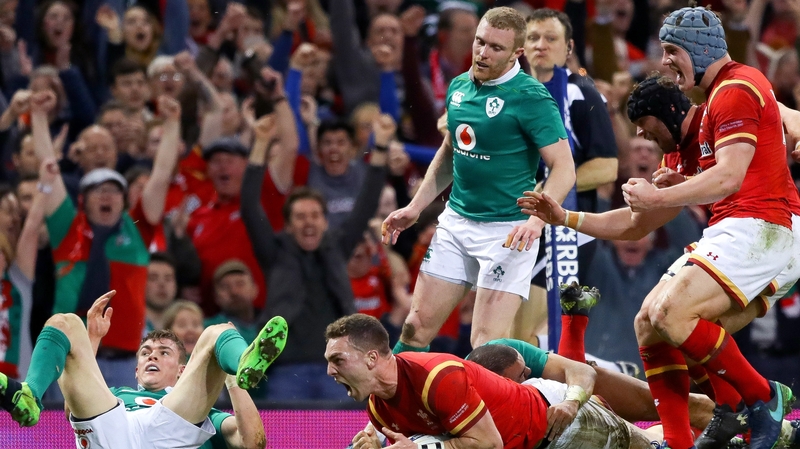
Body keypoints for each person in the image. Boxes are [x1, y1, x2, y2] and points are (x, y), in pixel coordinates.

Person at [520, 67, 800, 449]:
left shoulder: (721, 111)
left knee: (674, 315)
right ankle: (681, 437)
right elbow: (635, 225)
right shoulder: (675, 157)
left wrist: (794, 120)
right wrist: (565, 217)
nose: (639, 134)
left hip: (775, 231)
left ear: (668, 111)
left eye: (643, 123)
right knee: (650, 324)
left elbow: (734, 167)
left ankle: (759, 398)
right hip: (738, 232)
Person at [381, 6, 576, 353]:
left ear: (517, 53)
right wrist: (415, 207)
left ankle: (535, 394)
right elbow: (451, 150)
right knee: (414, 329)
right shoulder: (459, 86)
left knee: (486, 346)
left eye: (496, 48)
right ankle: (395, 409)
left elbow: (564, 168)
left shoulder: (530, 98)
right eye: (480, 43)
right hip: (456, 222)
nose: (483, 53)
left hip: (509, 233)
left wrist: (536, 221)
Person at [0, 291, 287, 449]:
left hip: (168, 431)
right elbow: (71, 405)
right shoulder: (116, 395)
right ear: (135, 370)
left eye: (164, 353)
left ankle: (242, 364)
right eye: (146, 352)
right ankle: (29, 397)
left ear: (182, 371)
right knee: (65, 321)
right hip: (112, 429)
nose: (153, 356)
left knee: (219, 331)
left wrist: (230, 378)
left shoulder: (203, 411)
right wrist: (94, 337)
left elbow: (253, 443)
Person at [33, 89, 180, 388]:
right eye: (98, 191)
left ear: (124, 200)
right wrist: (37, 115)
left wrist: (173, 122)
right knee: (64, 435)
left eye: (113, 190)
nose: (106, 196)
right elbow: (48, 166)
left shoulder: (137, 226)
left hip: (129, 361)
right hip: (72, 358)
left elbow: (162, 174)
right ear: (83, 200)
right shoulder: (68, 227)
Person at [241, 113, 389, 401]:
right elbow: (248, 206)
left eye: (314, 216)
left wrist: (380, 146)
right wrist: (260, 144)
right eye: (300, 217)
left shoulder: (338, 245)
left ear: (325, 221)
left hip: (336, 369)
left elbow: (367, 201)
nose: (308, 223)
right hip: (286, 369)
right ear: (288, 225)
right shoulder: (275, 251)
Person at [325, 313, 591, 449]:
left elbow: (489, 444)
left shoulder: (439, 376)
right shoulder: (379, 408)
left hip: (551, 412)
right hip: (517, 444)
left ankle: (574, 319)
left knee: (634, 408)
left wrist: (572, 401)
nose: (329, 371)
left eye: (337, 360)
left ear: (372, 358)